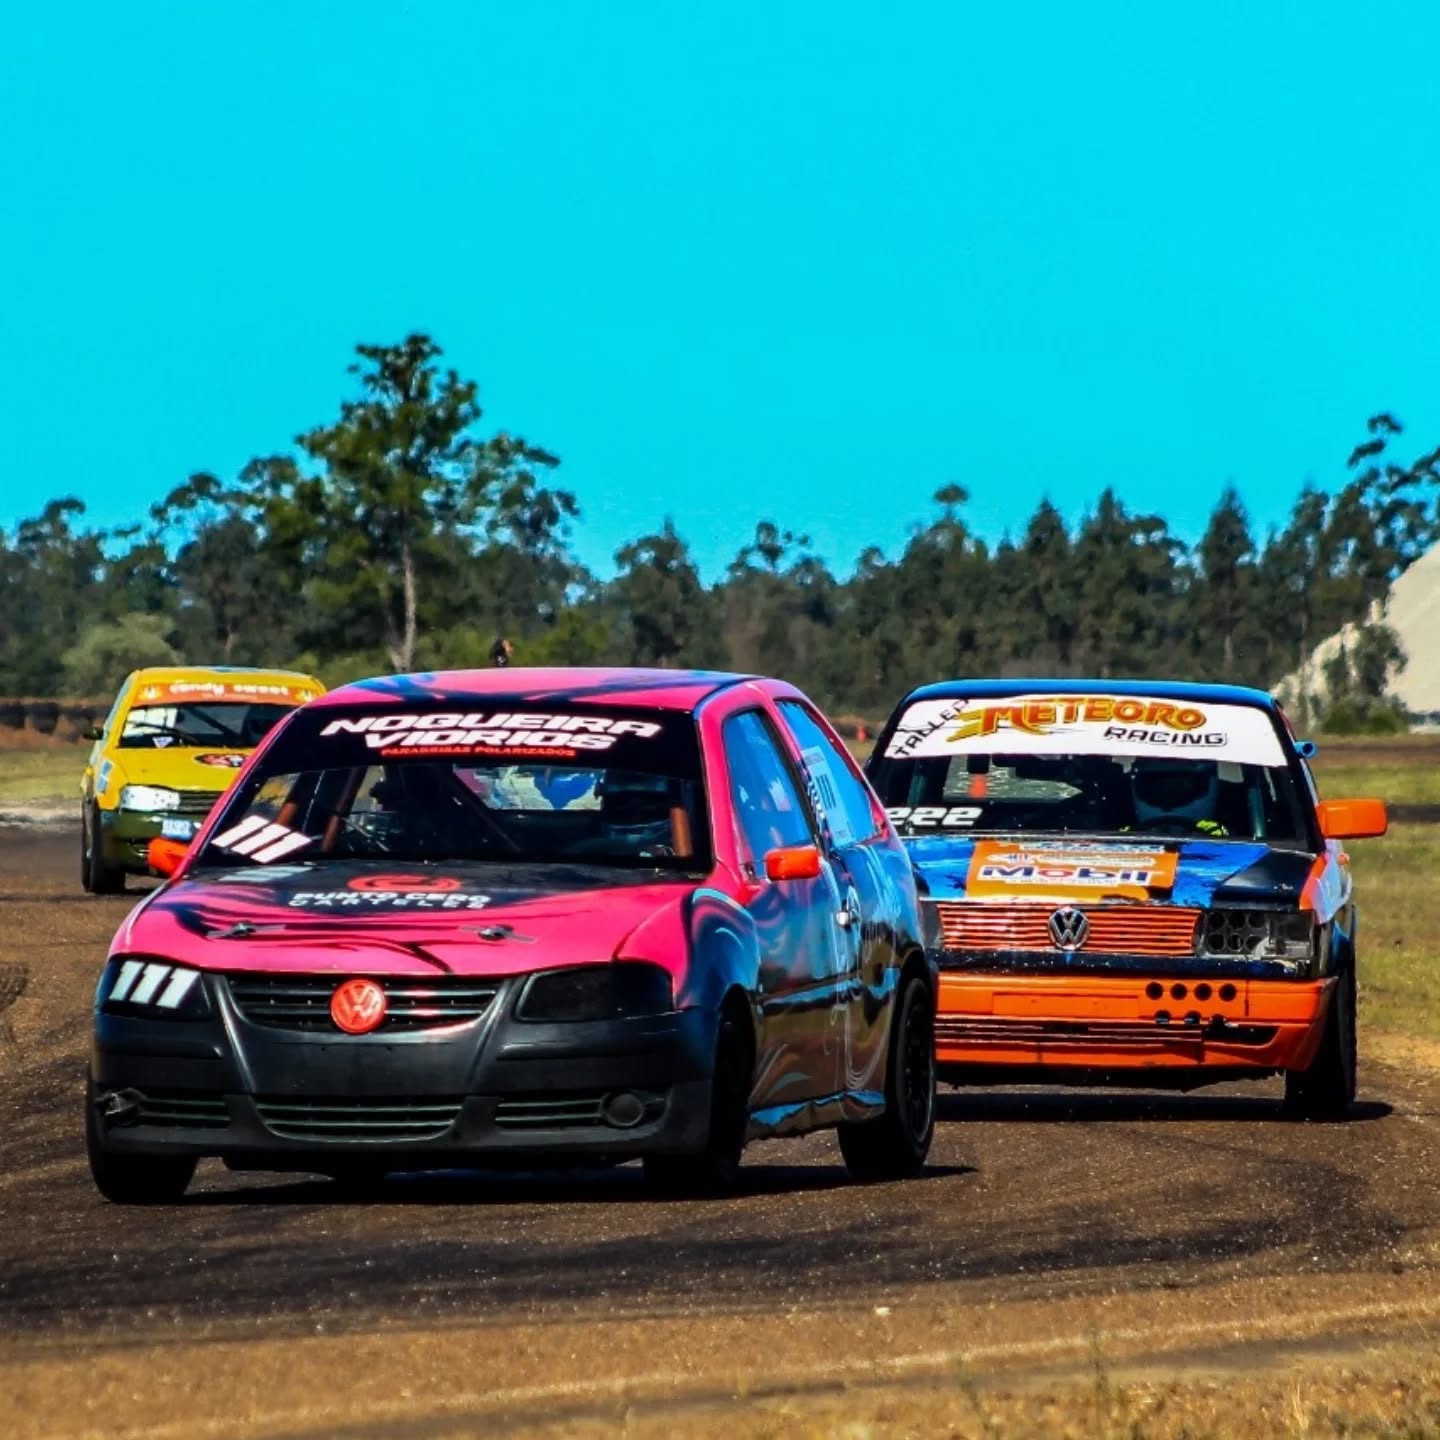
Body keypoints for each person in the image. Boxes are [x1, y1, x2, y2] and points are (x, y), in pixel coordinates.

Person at [1127, 758, 1229, 837]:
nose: (1167, 792)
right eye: (1160, 788)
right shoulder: (1125, 835)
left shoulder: (1221, 837)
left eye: (1176, 787)